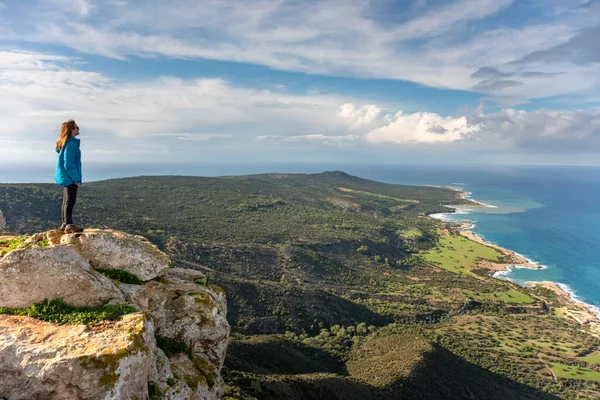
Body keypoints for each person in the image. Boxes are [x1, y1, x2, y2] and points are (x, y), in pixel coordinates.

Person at [55, 119, 84, 233]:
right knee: (70, 200)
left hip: (66, 176)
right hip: (69, 177)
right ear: (71, 130)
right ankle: (68, 225)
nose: (78, 129)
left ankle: (65, 224)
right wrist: (76, 179)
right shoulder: (71, 144)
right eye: (77, 127)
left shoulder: (67, 143)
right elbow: (69, 164)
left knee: (67, 200)